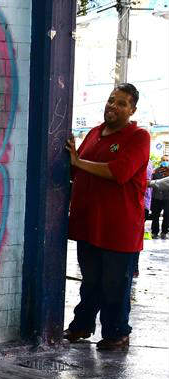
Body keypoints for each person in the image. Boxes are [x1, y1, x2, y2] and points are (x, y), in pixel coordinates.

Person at [63, 84, 150, 350]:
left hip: (119, 228)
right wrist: (72, 162)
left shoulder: (138, 137)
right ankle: (82, 326)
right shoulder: (93, 134)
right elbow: (76, 172)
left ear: (132, 109)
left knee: (115, 286)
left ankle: (117, 333)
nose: (113, 106)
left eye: (122, 103)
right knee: (90, 282)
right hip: (89, 225)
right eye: (112, 100)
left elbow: (119, 172)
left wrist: (78, 162)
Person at [150, 155, 169, 239]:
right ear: (161, 161)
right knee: (155, 216)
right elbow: (151, 182)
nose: (165, 161)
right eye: (164, 160)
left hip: (167, 198)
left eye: (167, 160)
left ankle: (164, 232)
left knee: (167, 215)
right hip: (156, 197)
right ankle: (154, 232)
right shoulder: (155, 171)